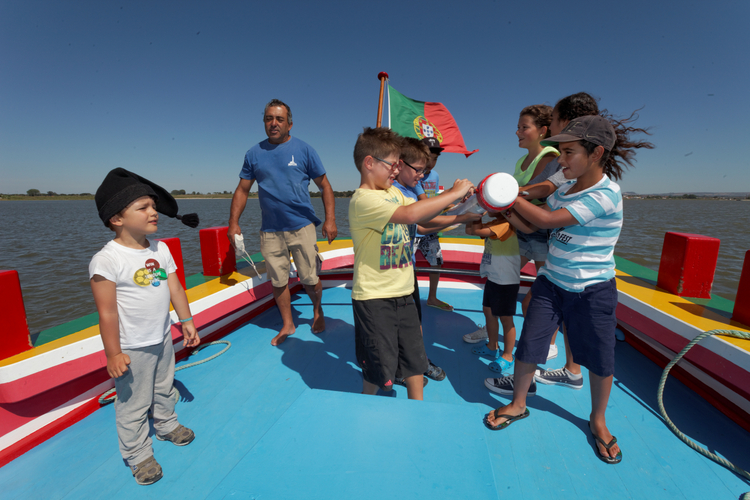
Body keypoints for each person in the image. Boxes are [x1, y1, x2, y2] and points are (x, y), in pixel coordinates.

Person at [483, 115, 653, 465]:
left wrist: (506, 195)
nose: (561, 160)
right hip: (552, 282)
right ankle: (518, 403)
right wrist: (501, 208)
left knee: (600, 358)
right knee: (530, 343)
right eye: (560, 152)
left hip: (592, 290)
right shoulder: (564, 190)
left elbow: (547, 220)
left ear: (596, 153)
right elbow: (532, 224)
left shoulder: (606, 194)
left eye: (569, 152)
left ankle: (598, 420)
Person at [89, 168, 201, 485]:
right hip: (132, 347)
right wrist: (113, 353)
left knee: (164, 387)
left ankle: (166, 424)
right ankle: (137, 453)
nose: (154, 212)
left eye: (153, 205)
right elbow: (107, 312)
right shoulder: (107, 260)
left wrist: (187, 321)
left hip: (162, 338)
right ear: (116, 218)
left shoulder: (160, 249)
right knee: (133, 403)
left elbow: (175, 288)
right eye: (143, 207)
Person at [349, 127, 474, 399]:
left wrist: (464, 210)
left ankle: (419, 407)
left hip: (404, 292)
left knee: (415, 361)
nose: (396, 170)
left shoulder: (394, 193)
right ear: (369, 163)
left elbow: (424, 218)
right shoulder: (363, 200)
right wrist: (453, 193)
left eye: (398, 165)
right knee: (378, 369)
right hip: (374, 298)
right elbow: (410, 214)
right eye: (392, 165)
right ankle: (366, 404)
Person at [228, 99, 337, 346]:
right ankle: (288, 324)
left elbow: (325, 186)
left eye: (279, 119)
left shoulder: (305, 150)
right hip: (270, 230)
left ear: (289, 124)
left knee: (310, 278)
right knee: (278, 281)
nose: (274, 123)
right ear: (264, 122)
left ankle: (317, 311)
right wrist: (233, 223)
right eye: (269, 119)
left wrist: (330, 220)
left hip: (302, 225)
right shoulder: (253, 154)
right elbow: (242, 190)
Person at [392, 137, 482, 385]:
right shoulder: (395, 193)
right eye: (418, 169)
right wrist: (458, 211)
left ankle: (416, 361)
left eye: (425, 168)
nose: (423, 175)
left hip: (406, 268)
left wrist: (460, 211)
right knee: (400, 323)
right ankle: (402, 368)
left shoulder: (409, 189)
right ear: (400, 164)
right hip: (392, 272)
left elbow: (425, 219)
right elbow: (421, 221)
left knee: (413, 320)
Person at [464, 212, 520, 374]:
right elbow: (470, 231)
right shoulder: (496, 222)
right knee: (488, 312)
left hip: (506, 280)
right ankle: (492, 346)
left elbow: (477, 231)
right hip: (493, 277)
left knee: (506, 319)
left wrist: (476, 212)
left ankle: (508, 356)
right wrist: (471, 215)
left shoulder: (506, 225)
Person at [412, 137, 454, 312]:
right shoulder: (415, 175)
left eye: (435, 159)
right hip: (414, 228)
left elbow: (435, 198)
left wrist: (452, 198)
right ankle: (409, 300)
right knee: (408, 265)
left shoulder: (435, 176)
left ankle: (432, 297)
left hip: (430, 229)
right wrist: (451, 196)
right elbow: (424, 202)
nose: (431, 162)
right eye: (428, 158)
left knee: (436, 262)